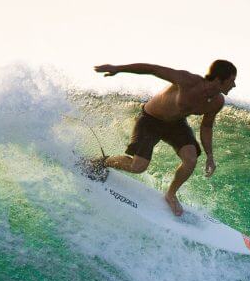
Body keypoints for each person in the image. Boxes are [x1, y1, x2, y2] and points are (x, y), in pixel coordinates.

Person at [90, 59, 237, 216]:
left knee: (191, 159)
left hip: (176, 125)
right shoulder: (187, 80)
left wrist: (210, 155)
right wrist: (118, 68)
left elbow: (206, 127)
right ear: (218, 79)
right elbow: (153, 69)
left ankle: (171, 194)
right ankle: (102, 162)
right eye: (232, 80)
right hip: (150, 120)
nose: (234, 85)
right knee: (138, 167)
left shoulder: (217, 102)